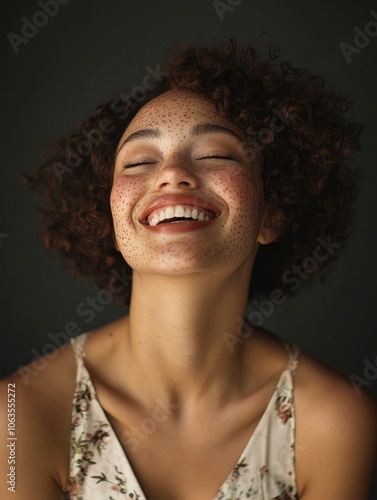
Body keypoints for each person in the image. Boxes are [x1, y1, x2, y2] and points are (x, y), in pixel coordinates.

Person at [0, 39, 376, 499]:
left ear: (272, 213)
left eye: (216, 154)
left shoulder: (335, 420)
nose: (171, 174)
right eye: (139, 161)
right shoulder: (18, 416)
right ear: (110, 220)